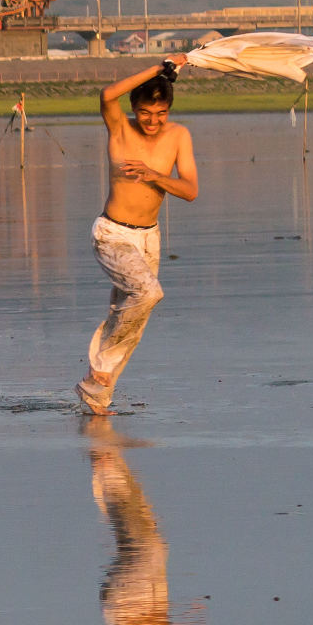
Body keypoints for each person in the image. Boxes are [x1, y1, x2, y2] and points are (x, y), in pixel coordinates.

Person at [79, 58, 199, 414]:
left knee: (132, 319)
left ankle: (96, 397)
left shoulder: (178, 136)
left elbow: (190, 189)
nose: (153, 121)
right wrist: (159, 67)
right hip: (112, 234)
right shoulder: (119, 129)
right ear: (134, 108)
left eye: (160, 113)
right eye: (146, 113)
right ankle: (99, 367)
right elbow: (107, 93)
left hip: (149, 238)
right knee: (148, 293)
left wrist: (153, 175)